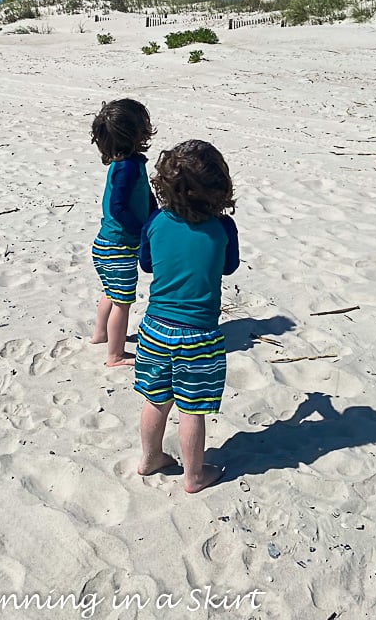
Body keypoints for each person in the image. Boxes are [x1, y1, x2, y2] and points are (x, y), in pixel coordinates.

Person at [134, 139, 239, 493]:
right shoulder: (222, 228)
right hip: (198, 336)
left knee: (156, 400)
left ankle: (150, 459)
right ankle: (194, 476)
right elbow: (229, 267)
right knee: (191, 410)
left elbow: (146, 264)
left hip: (153, 329)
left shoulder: (155, 222)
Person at [90, 99, 157, 367]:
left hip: (105, 244)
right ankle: (115, 355)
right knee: (122, 301)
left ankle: (100, 334)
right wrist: (142, 232)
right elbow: (118, 207)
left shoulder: (128, 163)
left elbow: (144, 196)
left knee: (110, 291)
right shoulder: (128, 167)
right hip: (118, 246)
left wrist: (155, 214)